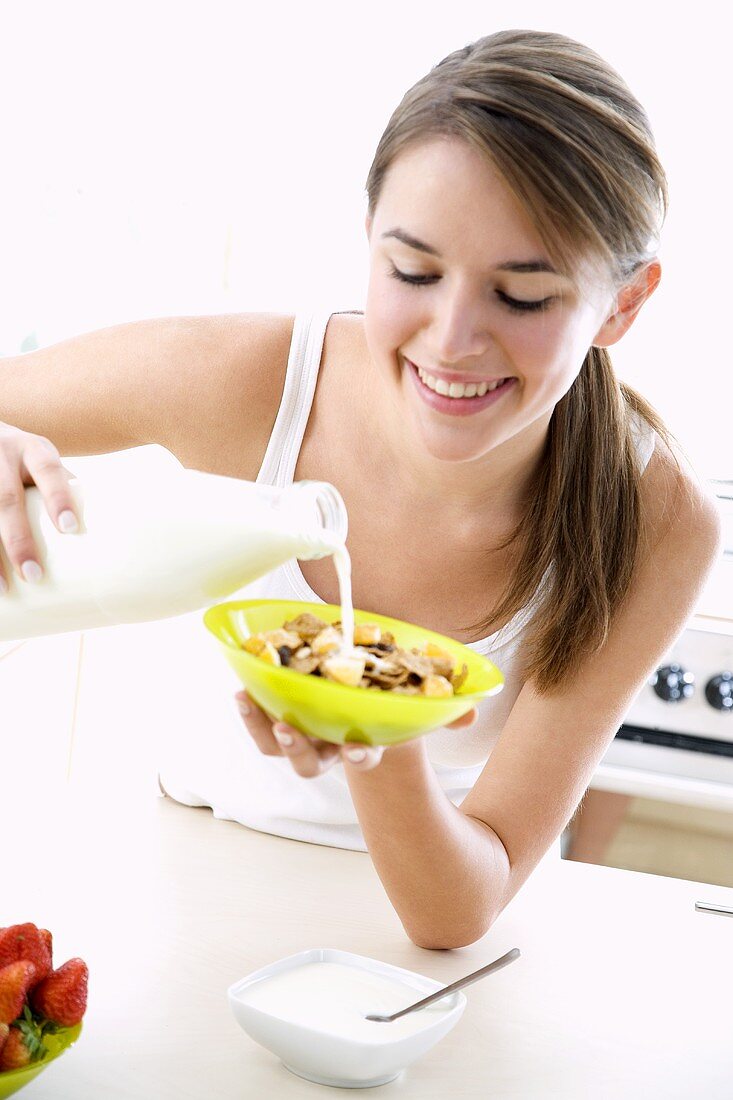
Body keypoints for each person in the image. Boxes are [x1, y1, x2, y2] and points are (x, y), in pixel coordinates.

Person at [0, 29, 721, 949]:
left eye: (524, 297)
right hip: (174, 884)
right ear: (367, 236)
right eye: (413, 271)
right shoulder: (246, 381)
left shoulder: (654, 519)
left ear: (622, 303)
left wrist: (373, 737)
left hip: (412, 948)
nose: (452, 338)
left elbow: (461, 906)